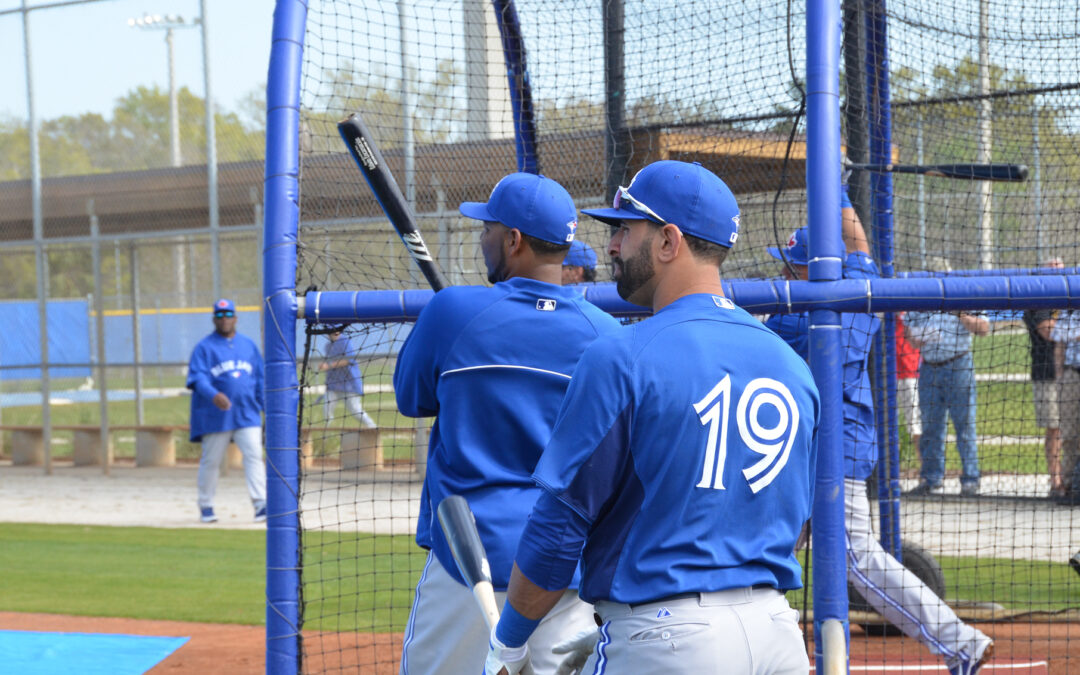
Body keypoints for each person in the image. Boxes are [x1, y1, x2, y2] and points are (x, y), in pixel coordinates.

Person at [483, 160, 818, 675]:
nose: (612, 246)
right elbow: (799, 525)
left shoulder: (623, 355)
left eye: (624, 229)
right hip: (777, 636)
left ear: (668, 241)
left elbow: (558, 530)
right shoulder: (791, 365)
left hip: (667, 640)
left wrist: (508, 644)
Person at [393, 172, 621, 674]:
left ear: (513, 240)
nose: (483, 238)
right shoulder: (605, 334)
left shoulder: (453, 311)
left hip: (466, 559)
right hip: (564, 569)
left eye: (488, 229)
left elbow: (411, 398)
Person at [765, 188, 994, 675]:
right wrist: (837, 185)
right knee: (772, 551)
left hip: (827, 449)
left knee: (857, 559)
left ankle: (961, 644)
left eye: (793, 266)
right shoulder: (858, 286)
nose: (784, 274)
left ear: (814, 269)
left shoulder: (790, 317)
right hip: (830, 444)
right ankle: (770, 654)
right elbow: (861, 245)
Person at [905, 258, 990, 497]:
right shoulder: (920, 298)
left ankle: (971, 480)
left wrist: (961, 314)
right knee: (931, 426)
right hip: (930, 367)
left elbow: (984, 329)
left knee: (964, 425)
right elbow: (910, 335)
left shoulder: (963, 294)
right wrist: (918, 338)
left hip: (959, 365)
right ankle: (931, 478)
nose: (937, 279)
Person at [187, 299, 267, 524]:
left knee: (253, 457)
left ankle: (261, 504)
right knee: (211, 461)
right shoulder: (204, 347)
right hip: (215, 414)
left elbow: (259, 380)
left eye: (228, 314)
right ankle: (206, 505)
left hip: (247, 412)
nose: (225, 319)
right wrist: (213, 394)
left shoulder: (248, 345)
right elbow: (198, 378)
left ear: (236, 318)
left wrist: (266, 409)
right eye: (220, 315)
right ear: (214, 319)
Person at [1023, 258, 1065, 498]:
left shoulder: (1068, 297)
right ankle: (1055, 480)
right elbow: (1048, 330)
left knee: (1070, 429)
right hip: (1046, 373)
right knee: (1055, 429)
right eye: (1054, 270)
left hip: (1069, 370)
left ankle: (1069, 477)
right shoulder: (1038, 299)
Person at [319, 325, 377, 429]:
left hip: (349, 383)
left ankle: (372, 427)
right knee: (327, 408)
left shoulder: (345, 341)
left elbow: (347, 360)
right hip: (334, 384)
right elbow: (329, 363)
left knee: (355, 410)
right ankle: (327, 432)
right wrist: (325, 366)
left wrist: (329, 365)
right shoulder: (327, 346)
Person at [1050, 307, 1080, 503]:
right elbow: (1059, 345)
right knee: (1069, 434)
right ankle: (1069, 484)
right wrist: (1060, 377)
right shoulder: (1068, 312)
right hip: (1072, 373)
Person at [895, 312, 922, 452]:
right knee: (887, 426)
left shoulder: (912, 311)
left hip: (909, 373)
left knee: (915, 424)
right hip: (885, 373)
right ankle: (890, 468)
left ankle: (926, 468)